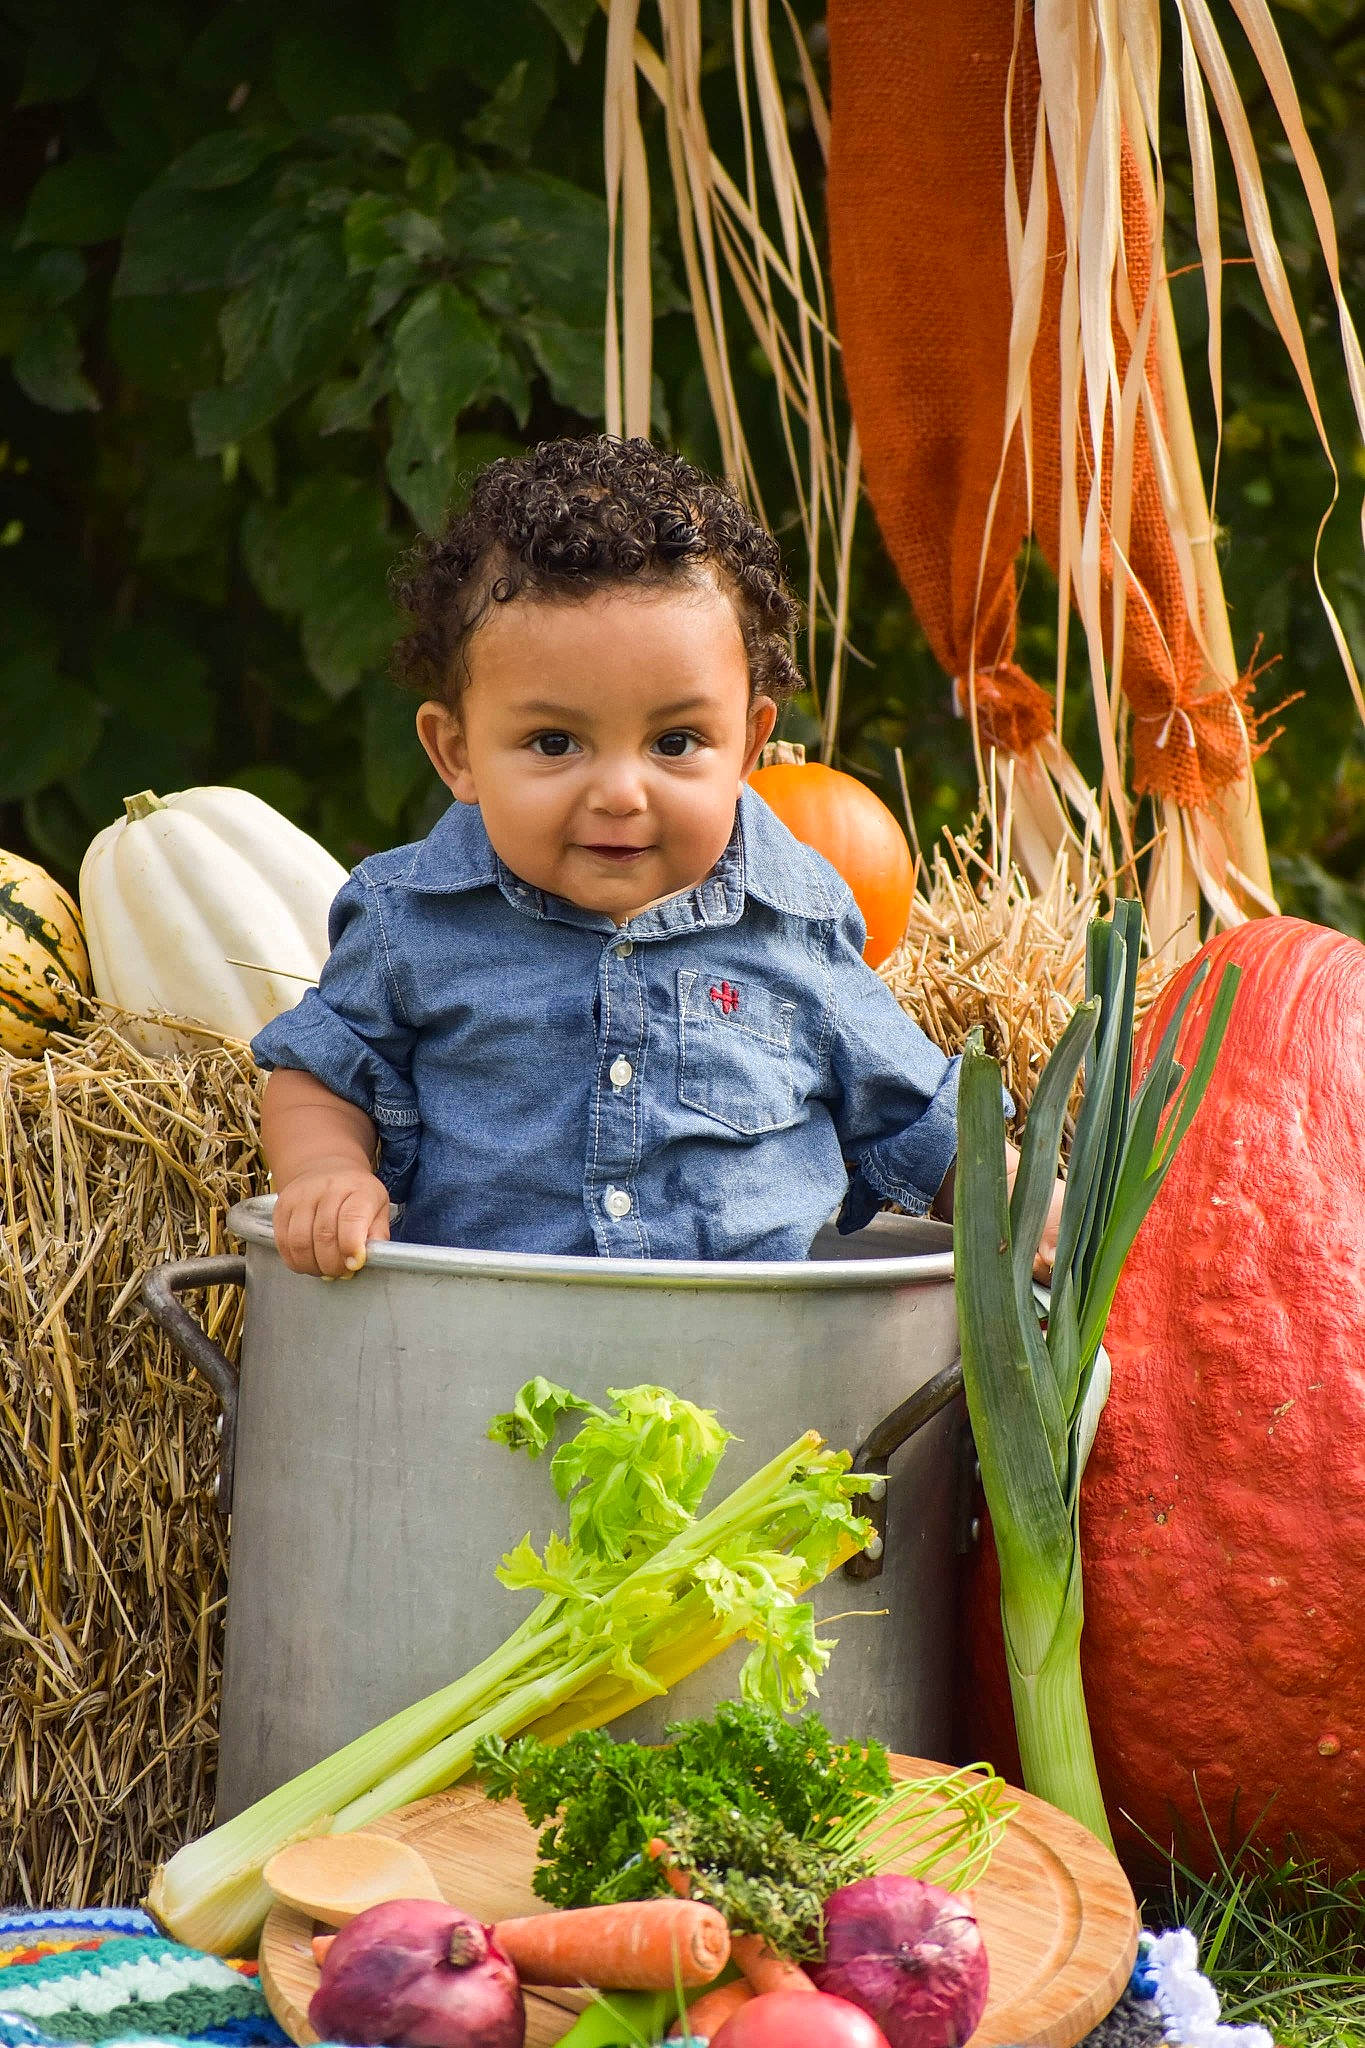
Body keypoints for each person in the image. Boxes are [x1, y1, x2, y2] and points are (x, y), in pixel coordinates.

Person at [253, 436, 1057, 1277]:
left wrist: (1014, 1199)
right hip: (491, 1355)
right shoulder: (408, 922)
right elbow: (322, 1071)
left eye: (674, 741)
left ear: (747, 745)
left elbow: (917, 1114)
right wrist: (326, 1171)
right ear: (455, 752)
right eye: (554, 741)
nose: (620, 793)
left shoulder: (796, 926)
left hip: (752, 1364)